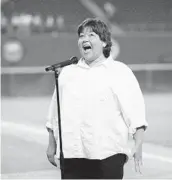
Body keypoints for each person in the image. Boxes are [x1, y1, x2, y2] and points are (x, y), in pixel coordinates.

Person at [46, 18, 148, 179]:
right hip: (72, 154)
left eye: (91, 35)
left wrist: (138, 144)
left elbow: (135, 113)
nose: (84, 39)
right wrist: (52, 144)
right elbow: (54, 114)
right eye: (81, 36)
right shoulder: (67, 73)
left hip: (108, 155)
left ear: (105, 43)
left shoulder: (120, 72)